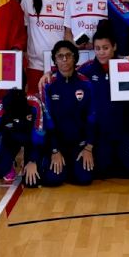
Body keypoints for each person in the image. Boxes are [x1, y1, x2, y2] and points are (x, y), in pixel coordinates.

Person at [78, 24, 129, 179]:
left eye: (105, 48)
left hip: (125, 130)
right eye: (97, 48)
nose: (101, 52)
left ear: (114, 47)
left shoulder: (126, 64)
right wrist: (49, 74)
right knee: (101, 172)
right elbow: (66, 71)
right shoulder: (87, 69)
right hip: (101, 132)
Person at [38, 40, 96, 187]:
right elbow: (47, 120)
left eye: (68, 55)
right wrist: (54, 150)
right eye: (60, 56)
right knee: (53, 180)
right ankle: (59, 166)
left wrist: (88, 147)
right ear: (55, 60)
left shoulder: (86, 83)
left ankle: (70, 167)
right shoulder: (48, 85)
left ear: (75, 58)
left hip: (79, 144)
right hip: (57, 144)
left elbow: (92, 117)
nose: (64, 59)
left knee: (85, 179)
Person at [0, 88, 47, 188]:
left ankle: (37, 162)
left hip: (30, 139)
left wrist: (32, 160)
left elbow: (39, 136)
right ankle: (9, 165)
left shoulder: (35, 104)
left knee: (33, 182)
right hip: (10, 139)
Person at [22, 0, 69, 93]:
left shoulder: (66, 0)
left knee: (59, 100)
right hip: (35, 64)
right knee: (35, 100)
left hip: (60, 64)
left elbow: (68, 32)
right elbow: (23, 29)